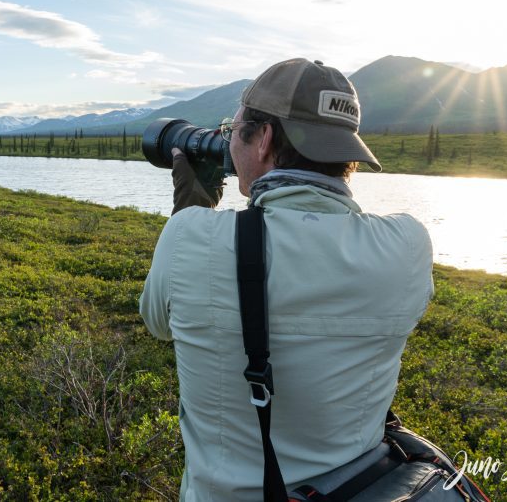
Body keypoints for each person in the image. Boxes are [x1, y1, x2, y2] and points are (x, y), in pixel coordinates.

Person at [139, 58, 434, 500]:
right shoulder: (407, 243)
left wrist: (191, 213)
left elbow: (158, 324)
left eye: (233, 131)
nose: (228, 143)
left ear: (264, 141)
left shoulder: (191, 236)